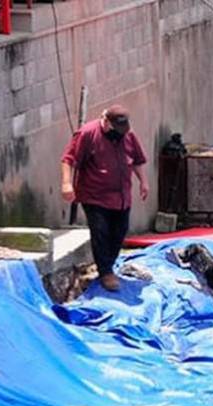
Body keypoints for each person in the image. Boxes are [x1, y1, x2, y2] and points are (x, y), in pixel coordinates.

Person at [61, 105, 150, 292]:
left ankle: (107, 265)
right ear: (106, 122)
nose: (119, 134)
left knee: (119, 231)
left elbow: (136, 160)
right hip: (95, 195)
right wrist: (67, 184)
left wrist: (143, 182)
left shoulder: (127, 135)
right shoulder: (87, 134)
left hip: (122, 195)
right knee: (100, 232)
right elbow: (68, 159)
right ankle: (106, 272)